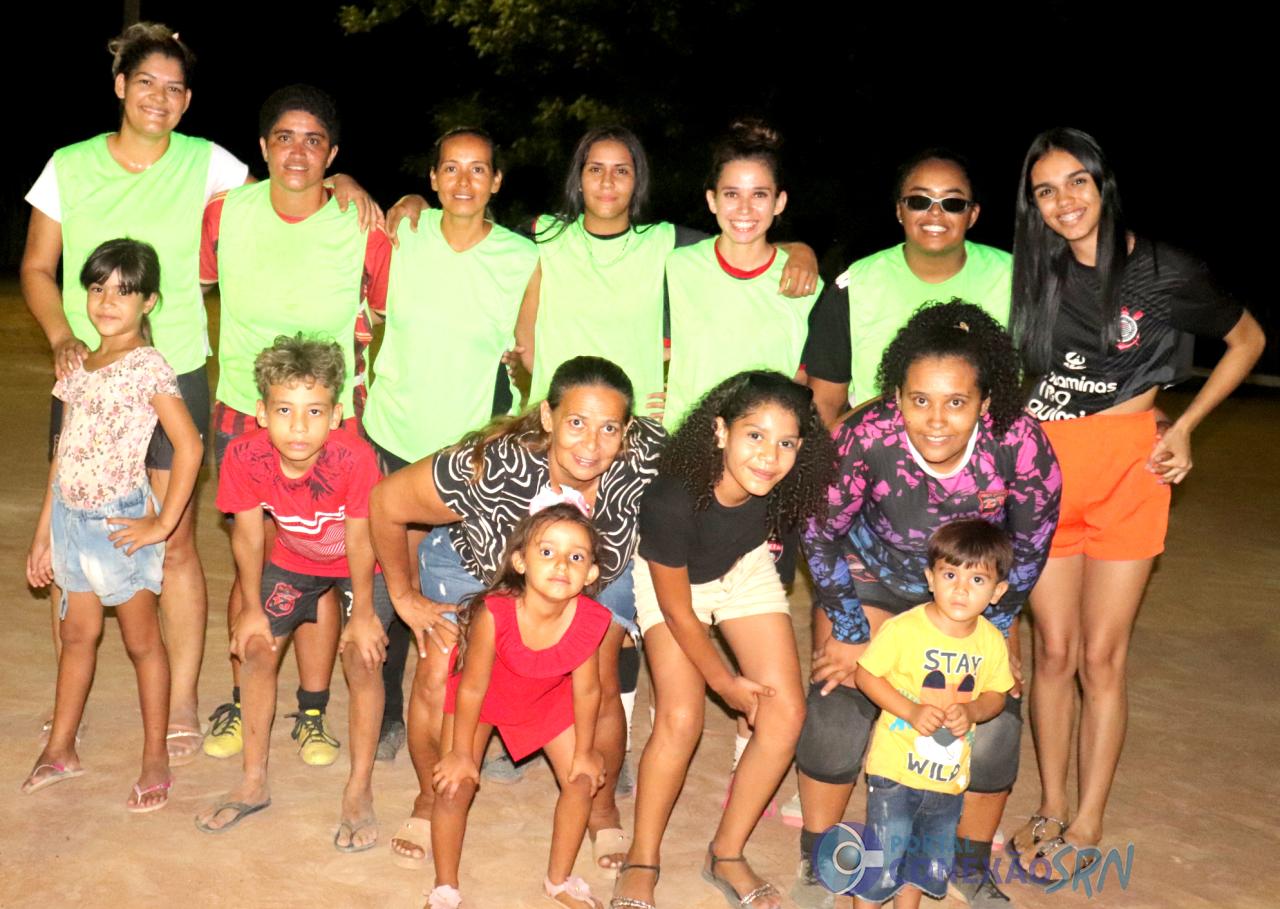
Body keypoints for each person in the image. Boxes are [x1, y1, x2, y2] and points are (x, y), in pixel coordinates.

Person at [1007, 128, 1265, 881]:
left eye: (1076, 182)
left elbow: (1247, 340)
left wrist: (1185, 426)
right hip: (1045, 471)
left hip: (1130, 468)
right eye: (1046, 190)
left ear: (1103, 183)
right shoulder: (1033, 273)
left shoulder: (1162, 270)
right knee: (1054, 653)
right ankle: (1052, 803)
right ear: (1033, 205)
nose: (1065, 201)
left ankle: (1088, 819)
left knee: (1102, 656)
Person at [796, 300, 1061, 908]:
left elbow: (1030, 549)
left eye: (957, 402)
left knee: (993, 720)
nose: (936, 420)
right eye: (919, 400)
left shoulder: (1020, 444)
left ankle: (968, 864)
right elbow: (818, 532)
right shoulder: (865, 436)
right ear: (897, 396)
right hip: (872, 579)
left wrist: (993, 629)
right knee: (838, 702)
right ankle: (821, 858)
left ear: (985, 402)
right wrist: (849, 628)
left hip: (970, 591)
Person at [369, 356, 664, 873]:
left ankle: (601, 809)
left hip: (591, 574)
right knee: (440, 670)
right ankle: (430, 798)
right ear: (548, 417)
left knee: (601, 675)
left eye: (609, 428)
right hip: (476, 569)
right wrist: (403, 596)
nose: (592, 445)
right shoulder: (492, 465)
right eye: (576, 422)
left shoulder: (646, 460)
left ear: (627, 430)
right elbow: (385, 502)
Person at [198, 83, 391, 765]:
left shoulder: (361, 224)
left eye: (314, 141)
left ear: (332, 154)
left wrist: (403, 200)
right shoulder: (225, 214)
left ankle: (312, 710)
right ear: (263, 147)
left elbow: (387, 309)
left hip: (331, 422)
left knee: (320, 562)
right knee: (255, 556)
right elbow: (189, 285)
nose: (298, 153)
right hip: (244, 415)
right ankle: (242, 694)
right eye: (285, 138)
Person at [611, 371, 835, 909]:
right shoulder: (672, 497)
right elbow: (677, 610)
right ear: (720, 431)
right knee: (680, 717)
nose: (769, 457)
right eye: (754, 435)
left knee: (786, 712)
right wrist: (726, 683)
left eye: (786, 443)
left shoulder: (788, 488)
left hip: (744, 570)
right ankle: (642, 857)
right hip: (671, 584)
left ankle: (727, 853)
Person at [362, 126, 538, 762]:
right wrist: (357, 183)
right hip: (394, 431)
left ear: (496, 181)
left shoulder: (524, 258)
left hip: (472, 455)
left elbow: (531, 350)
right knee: (391, 586)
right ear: (433, 179)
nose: (465, 181)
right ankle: (387, 712)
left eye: (478, 169)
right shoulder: (403, 233)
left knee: (477, 596)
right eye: (451, 169)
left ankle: (489, 727)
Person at [22, 239, 202, 813]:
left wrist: (161, 523)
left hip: (119, 525)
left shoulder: (148, 366)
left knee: (142, 642)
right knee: (77, 636)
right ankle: (61, 749)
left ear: (148, 302)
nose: (106, 301)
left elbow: (190, 446)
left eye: (124, 292)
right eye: (97, 288)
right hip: (70, 520)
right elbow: (63, 452)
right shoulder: (77, 365)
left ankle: (155, 758)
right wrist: (44, 533)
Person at [194, 336, 393, 849]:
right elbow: (247, 534)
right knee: (255, 648)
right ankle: (253, 780)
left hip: (361, 567)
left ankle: (359, 789)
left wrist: (363, 614)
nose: (299, 427)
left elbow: (361, 539)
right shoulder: (244, 455)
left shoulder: (355, 458)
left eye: (314, 411)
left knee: (364, 658)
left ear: (336, 415)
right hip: (293, 559)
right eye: (284, 410)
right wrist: (251, 609)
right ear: (262, 413)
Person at [427, 502, 613, 909]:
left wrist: (585, 751)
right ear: (520, 562)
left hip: (547, 699)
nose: (561, 564)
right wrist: (461, 754)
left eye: (576, 557)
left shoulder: (592, 618)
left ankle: (559, 881)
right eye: (547, 551)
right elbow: (472, 688)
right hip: (485, 699)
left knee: (582, 780)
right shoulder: (494, 613)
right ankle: (444, 888)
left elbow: (587, 691)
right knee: (454, 786)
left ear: (591, 573)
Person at [851, 521, 1016, 909]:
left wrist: (973, 710)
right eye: (950, 574)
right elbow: (865, 675)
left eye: (978, 579)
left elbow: (997, 694)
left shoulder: (992, 641)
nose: (961, 589)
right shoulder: (905, 629)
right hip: (896, 771)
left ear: (998, 592)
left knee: (921, 862)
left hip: (948, 779)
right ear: (930, 578)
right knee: (882, 861)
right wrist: (909, 710)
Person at [804, 149, 1012, 425]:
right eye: (919, 201)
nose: (935, 212)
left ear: (972, 215)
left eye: (952, 203)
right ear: (900, 210)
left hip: (989, 445)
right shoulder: (857, 285)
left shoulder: (1014, 278)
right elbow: (826, 400)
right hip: (880, 445)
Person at [663, 120, 823, 431]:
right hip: (685, 443)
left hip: (765, 451)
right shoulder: (677, 267)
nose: (745, 209)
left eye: (759, 195)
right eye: (732, 194)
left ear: (779, 202)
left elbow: (806, 381)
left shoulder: (806, 285)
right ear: (712, 200)